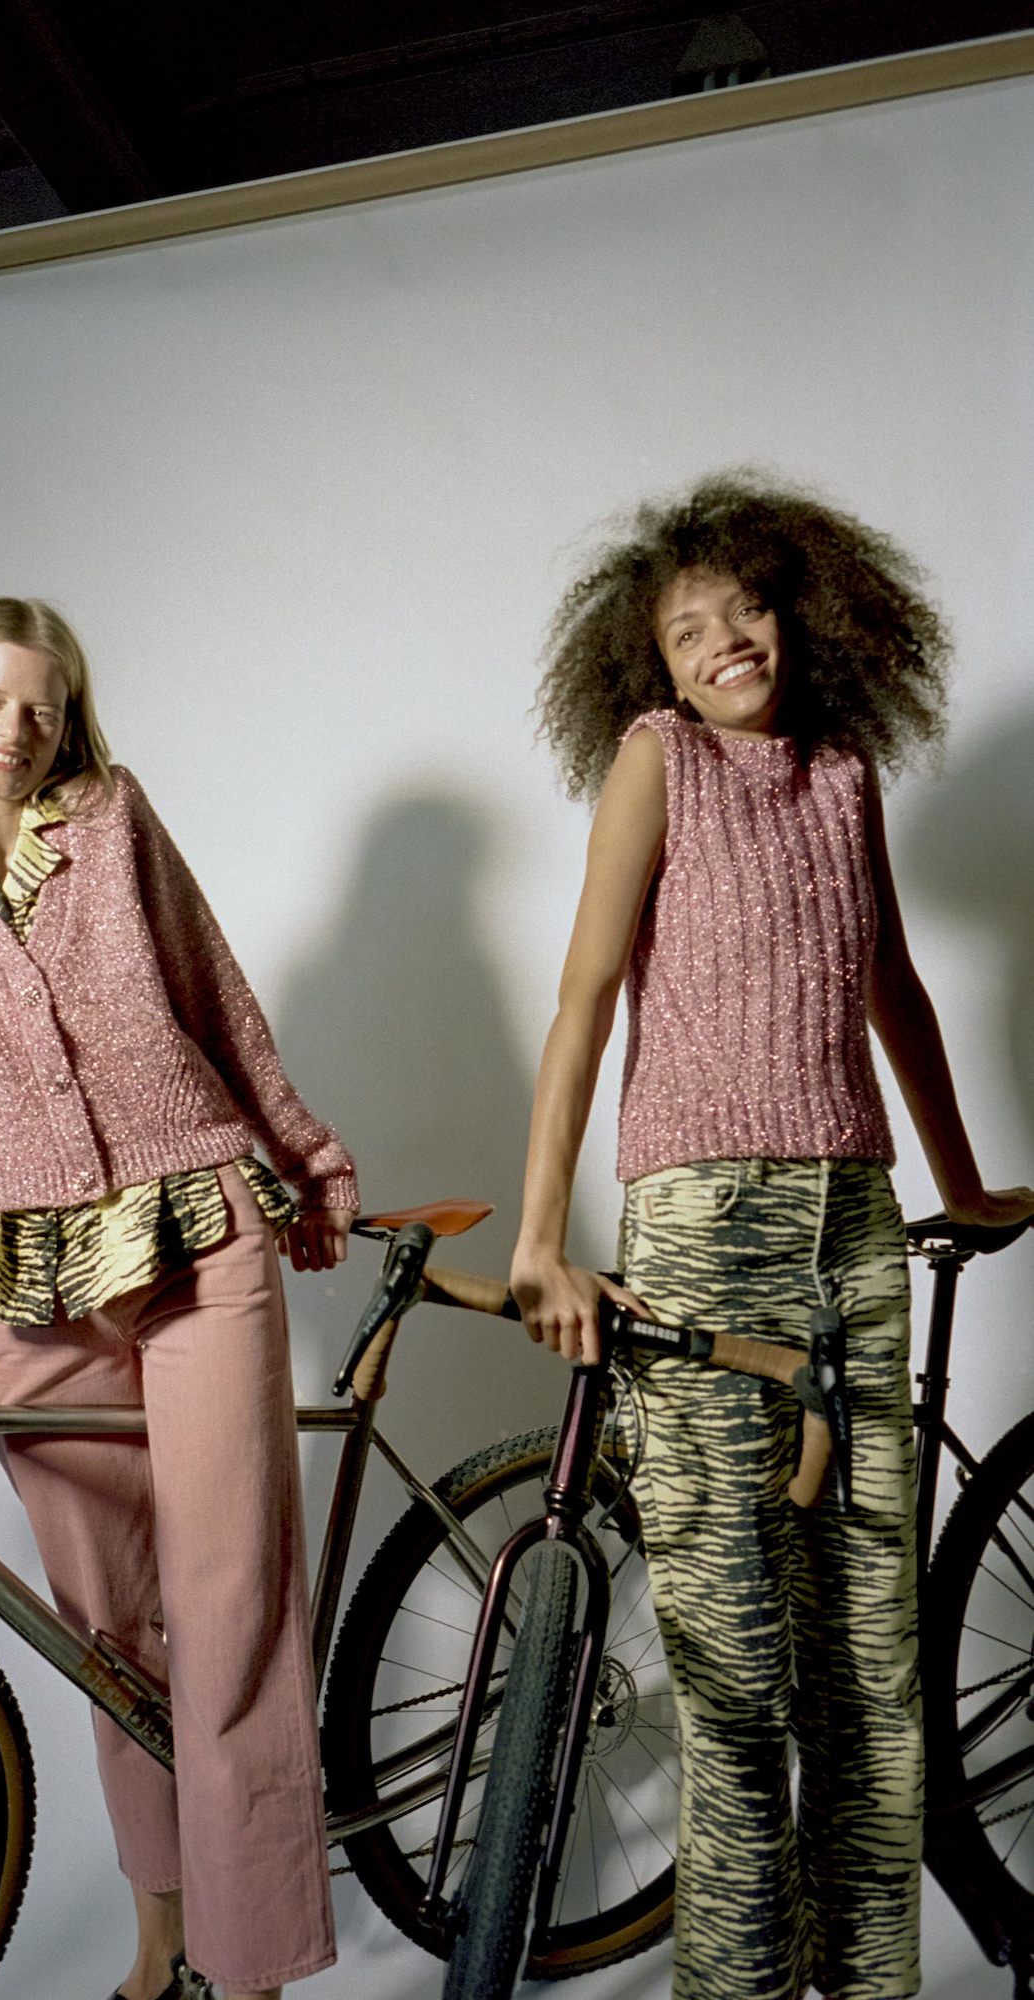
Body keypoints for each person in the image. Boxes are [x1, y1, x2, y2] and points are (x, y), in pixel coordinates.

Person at [0, 598, 357, 2000]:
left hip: (196, 1227)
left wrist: (305, 1161)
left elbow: (214, 995)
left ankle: (252, 1974)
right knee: (107, 1624)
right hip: (27, 1268)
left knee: (231, 1608)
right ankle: (164, 1944)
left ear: (70, 716)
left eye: (41, 705)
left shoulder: (112, 812)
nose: (12, 728)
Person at [509, 473, 1034, 2000]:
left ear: (803, 617)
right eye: (689, 629)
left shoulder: (844, 773)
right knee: (734, 1660)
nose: (726, 639)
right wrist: (540, 1236)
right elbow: (582, 998)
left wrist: (960, 1179)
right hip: (700, 1225)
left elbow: (893, 991)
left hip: (849, 1226)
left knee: (868, 1655)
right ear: (653, 665)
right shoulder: (657, 760)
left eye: (746, 608)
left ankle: (866, 1982)